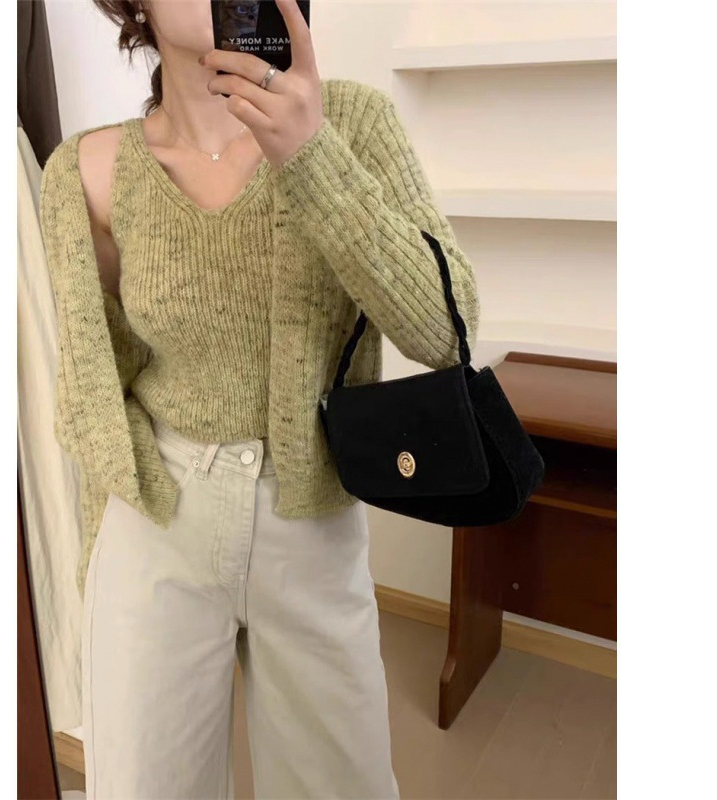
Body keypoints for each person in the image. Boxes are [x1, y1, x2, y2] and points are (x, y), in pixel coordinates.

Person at [39, 0, 481, 797]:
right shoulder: (86, 172)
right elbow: (96, 394)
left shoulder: (351, 124)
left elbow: (446, 332)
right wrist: (98, 571)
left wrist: (312, 158)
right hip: (156, 515)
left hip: (312, 518)